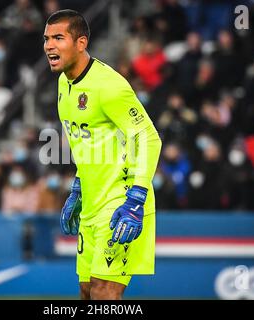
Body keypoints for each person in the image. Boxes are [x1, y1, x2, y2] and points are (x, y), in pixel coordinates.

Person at [43, 10, 162, 300]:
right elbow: (88, 144)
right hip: (92, 205)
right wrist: (79, 187)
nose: (49, 46)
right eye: (46, 39)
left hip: (121, 202)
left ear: (81, 43)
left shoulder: (109, 86)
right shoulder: (64, 83)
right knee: (86, 291)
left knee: (104, 292)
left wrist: (136, 199)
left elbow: (149, 138)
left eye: (59, 38)